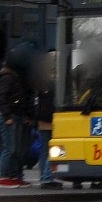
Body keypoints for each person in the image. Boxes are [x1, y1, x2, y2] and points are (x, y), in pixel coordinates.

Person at [0, 43, 37, 188]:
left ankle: (15, 175)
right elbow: (1, 97)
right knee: (10, 148)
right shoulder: (9, 78)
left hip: (17, 114)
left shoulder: (17, 77)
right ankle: (5, 176)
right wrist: (7, 115)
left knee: (18, 149)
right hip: (10, 115)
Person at [34, 51, 62, 189]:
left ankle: (43, 176)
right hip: (51, 120)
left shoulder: (40, 79)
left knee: (45, 149)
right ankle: (47, 177)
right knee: (52, 149)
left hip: (41, 119)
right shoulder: (56, 81)